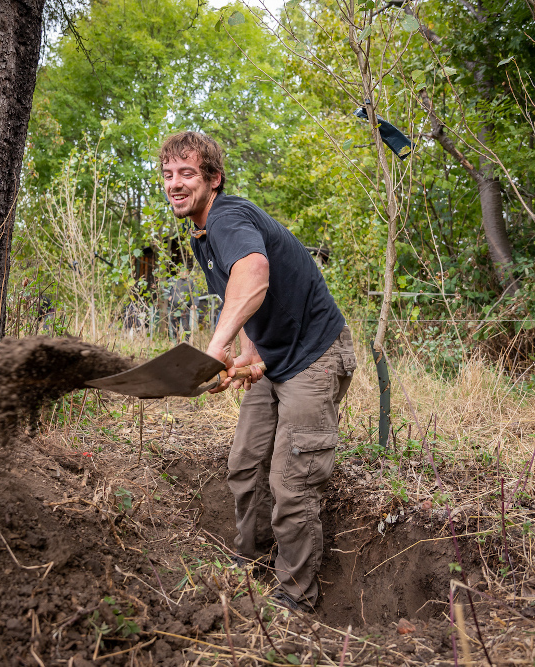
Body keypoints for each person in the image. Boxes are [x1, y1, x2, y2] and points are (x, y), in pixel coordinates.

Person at [159, 130, 356, 612]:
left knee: (293, 483)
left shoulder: (227, 217)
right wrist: (249, 353)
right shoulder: (203, 234)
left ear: (213, 179)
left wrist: (214, 347)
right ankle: (255, 562)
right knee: (245, 465)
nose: (175, 184)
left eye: (187, 173)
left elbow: (253, 277)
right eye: (168, 175)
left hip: (315, 358)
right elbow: (249, 302)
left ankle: (296, 597)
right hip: (274, 358)